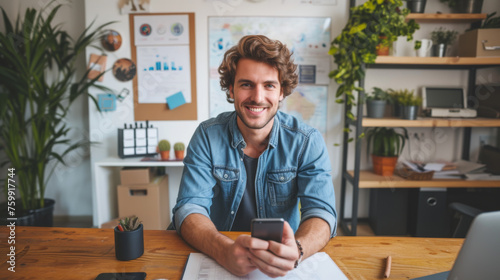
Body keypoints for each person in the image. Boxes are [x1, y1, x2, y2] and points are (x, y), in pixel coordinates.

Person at [171, 35, 336, 277]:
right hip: (216, 255)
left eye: (269, 85)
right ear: (231, 88)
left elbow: (321, 212)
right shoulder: (207, 136)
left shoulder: (307, 141)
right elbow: (189, 208)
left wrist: (297, 250)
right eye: (246, 84)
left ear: (281, 92)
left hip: (280, 261)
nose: (257, 98)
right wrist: (223, 250)